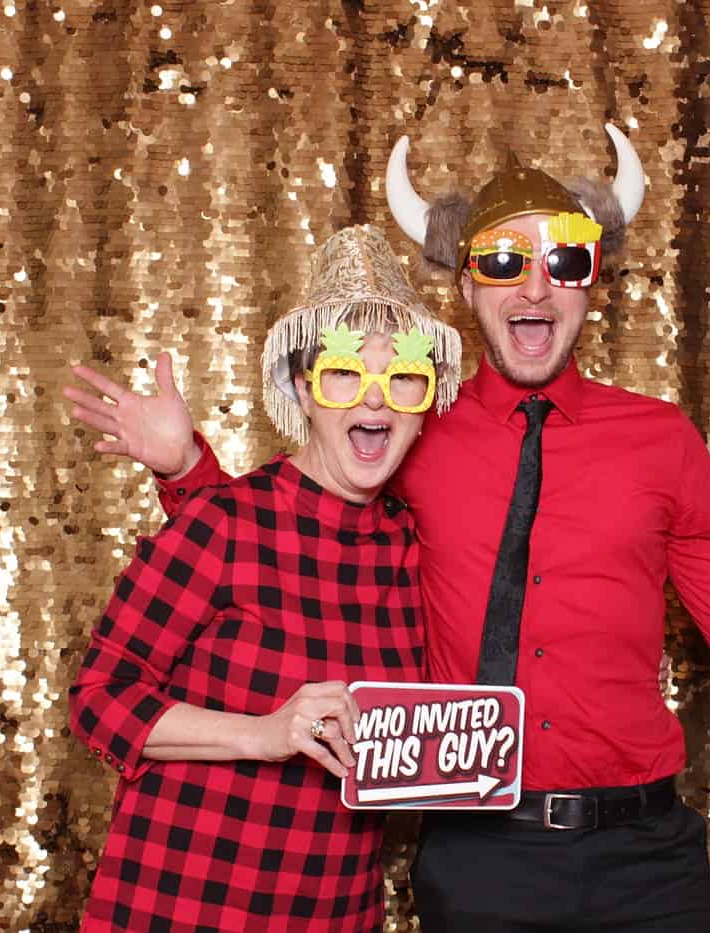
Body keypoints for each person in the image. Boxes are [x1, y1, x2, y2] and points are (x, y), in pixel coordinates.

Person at [72, 128, 710, 931]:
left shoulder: (659, 441)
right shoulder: (415, 434)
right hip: (479, 856)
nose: (535, 286)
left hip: (645, 855)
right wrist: (187, 470)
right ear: (467, 286)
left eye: (565, 262)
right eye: (505, 263)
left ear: (592, 284)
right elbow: (291, 537)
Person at [66, 225, 462, 932]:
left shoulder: (413, 549)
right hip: (181, 908)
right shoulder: (224, 520)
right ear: (304, 390)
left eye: (402, 375)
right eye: (345, 372)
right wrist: (264, 733)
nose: (375, 400)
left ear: (424, 401)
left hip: (333, 912)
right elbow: (98, 698)